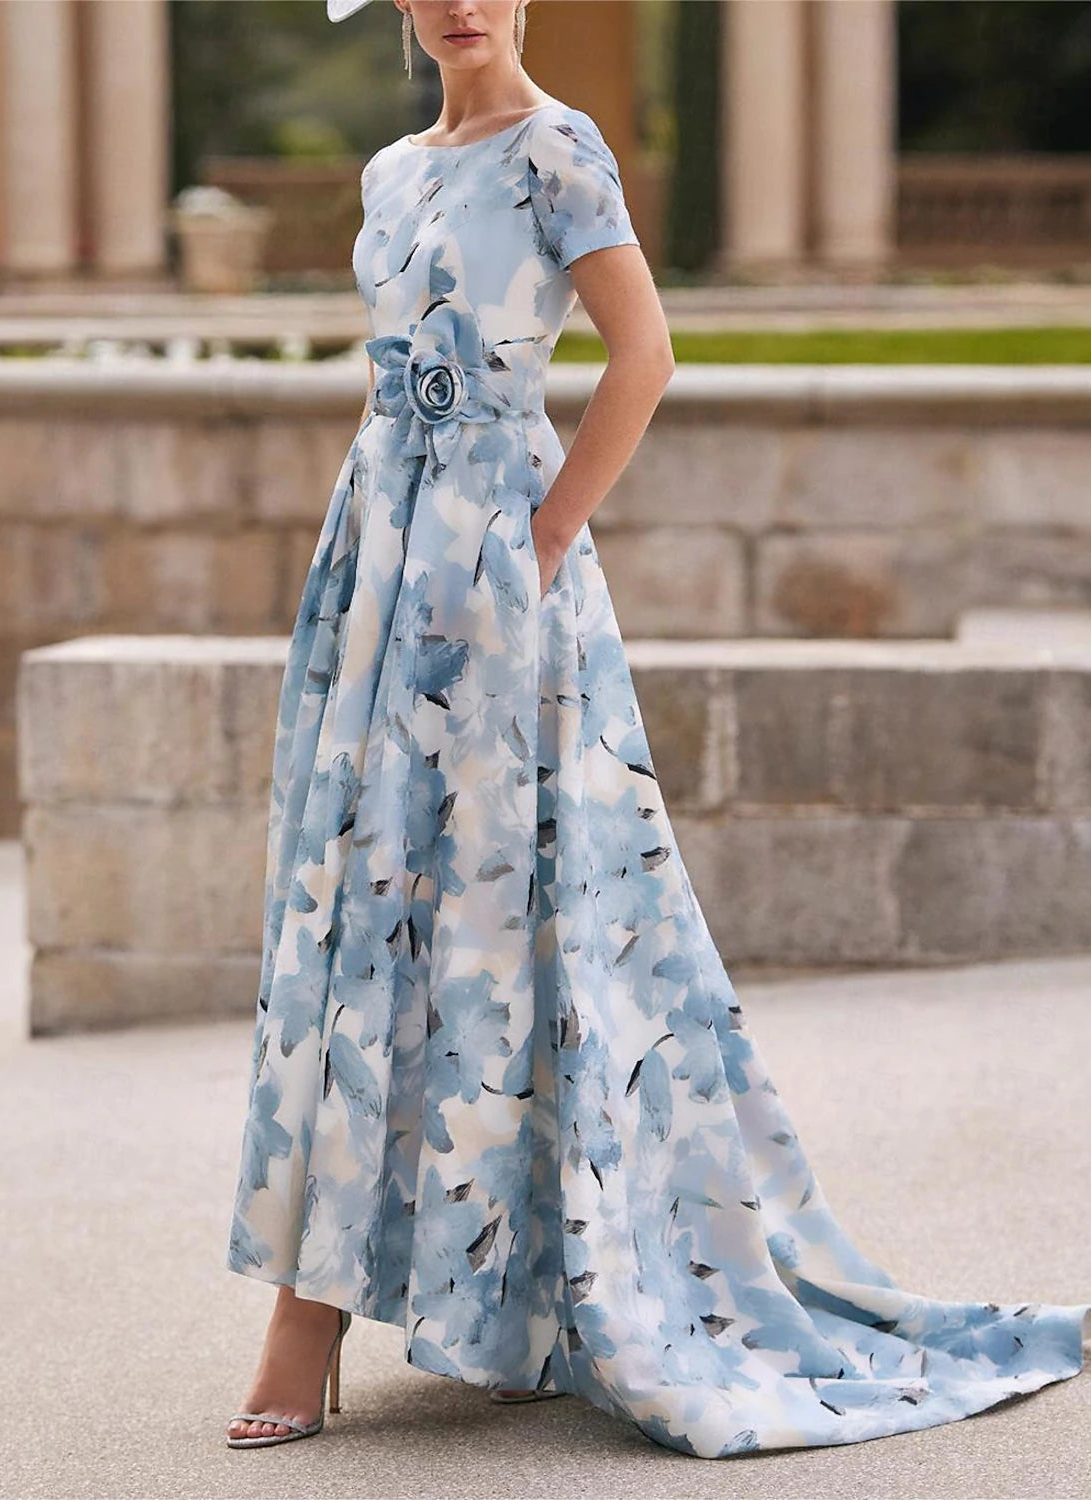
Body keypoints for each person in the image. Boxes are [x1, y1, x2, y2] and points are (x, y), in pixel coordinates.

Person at [225, 0, 1090, 1456]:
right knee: (358, 898)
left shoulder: (559, 150)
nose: (460, 3)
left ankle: (392, 1310)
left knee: (510, 913)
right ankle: (396, 1305)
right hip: (378, 557)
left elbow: (646, 355)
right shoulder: (388, 172)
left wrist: (544, 535)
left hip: (500, 567)